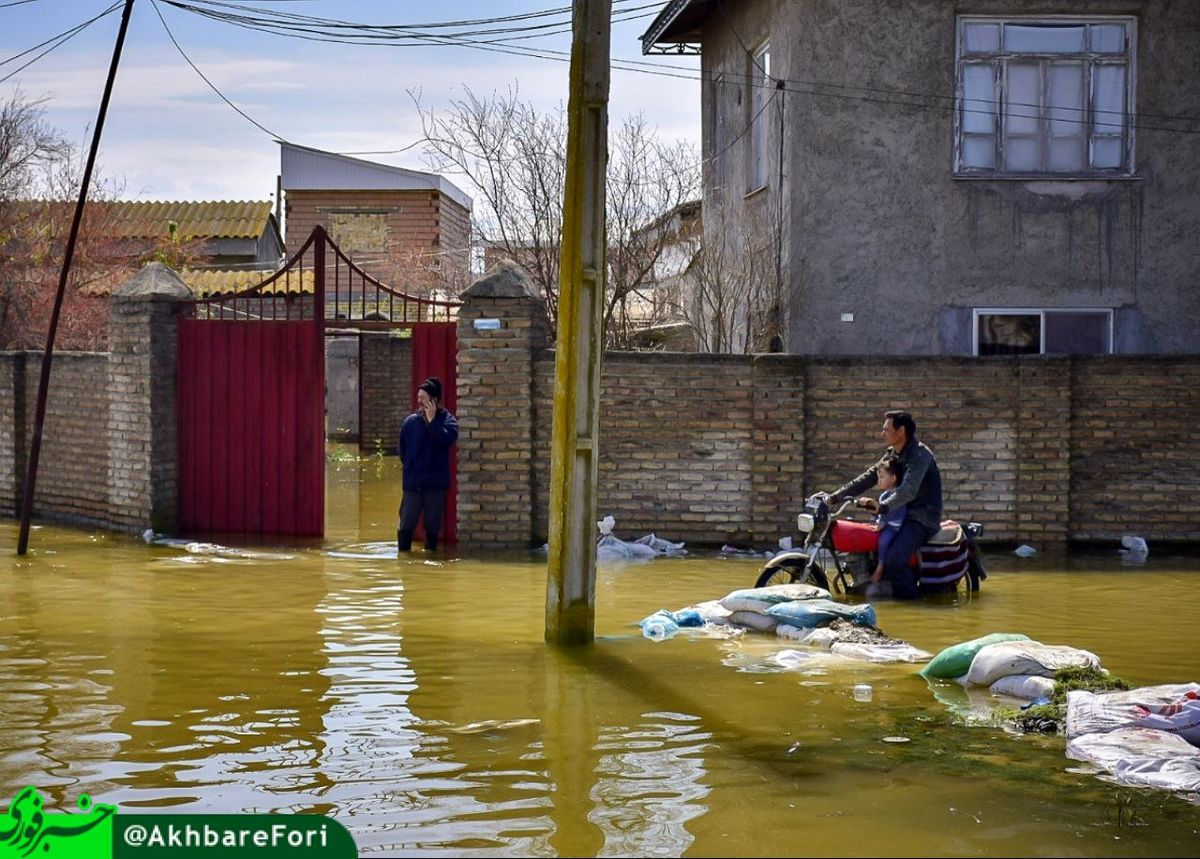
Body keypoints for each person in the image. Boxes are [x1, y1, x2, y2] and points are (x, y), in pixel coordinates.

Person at [822, 410, 942, 599]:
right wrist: (835, 497)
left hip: (920, 516)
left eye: (886, 429)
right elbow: (869, 477)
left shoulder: (920, 455)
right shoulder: (892, 453)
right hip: (896, 514)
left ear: (900, 431)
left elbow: (909, 489)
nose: (882, 433)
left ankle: (913, 606)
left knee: (895, 560)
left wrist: (884, 507)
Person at [397, 377, 458, 552]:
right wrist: (410, 467)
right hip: (413, 484)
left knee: (432, 526)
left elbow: (445, 441)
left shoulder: (448, 421)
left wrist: (432, 423)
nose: (419, 401)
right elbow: (402, 450)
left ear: (434, 400)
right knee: (406, 524)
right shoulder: (410, 422)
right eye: (418, 397)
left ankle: (431, 555)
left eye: (423, 397)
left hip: (435, 485)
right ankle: (404, 559)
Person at [862, 455, 906, 588]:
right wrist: (873, 521)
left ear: (893, 478)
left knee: (883, 541)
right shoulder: (883, 495)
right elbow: (879, 513)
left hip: (895, 526)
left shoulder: (898, 494)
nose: (879, 481)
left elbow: (888, 514)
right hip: (887, 524)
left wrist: (880, 524)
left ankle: (880, 568)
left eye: (882, 477)